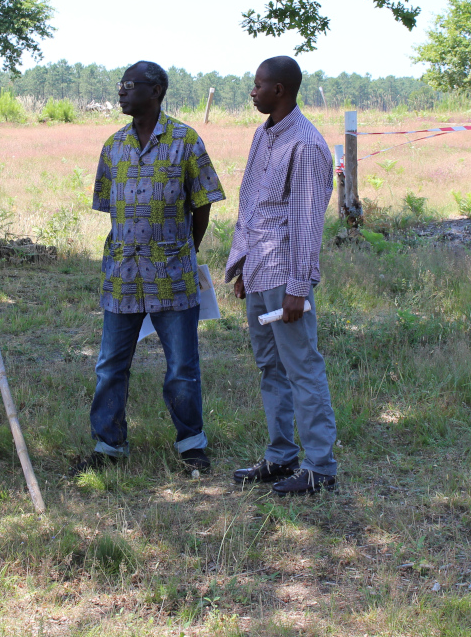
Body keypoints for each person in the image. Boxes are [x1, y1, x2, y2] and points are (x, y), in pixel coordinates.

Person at [78, 60, 226, 473]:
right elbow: (112, 212)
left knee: (181, 367)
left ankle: (192, 444)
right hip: (122, 277)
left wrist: (183, 253)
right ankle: (109, 446)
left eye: (130, 85)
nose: (121, 91)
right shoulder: (113, 147)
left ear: (156, 91)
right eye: (120, 84)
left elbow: (201, 206)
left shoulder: (186, 140)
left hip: (173, 278)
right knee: (110, 365)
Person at [225, 56, 338, 496]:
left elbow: (308, 221)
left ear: (281, 90)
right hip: (259, 270)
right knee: (270, 368)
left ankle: (321, 468)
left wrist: (298, 287)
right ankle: (280, 456)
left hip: (286, 276)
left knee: (302, 368)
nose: (252, 91)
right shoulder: (263, 135)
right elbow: (252, 204)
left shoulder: (306, 145)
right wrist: (242, 267)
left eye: (258, 85)